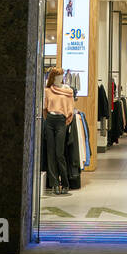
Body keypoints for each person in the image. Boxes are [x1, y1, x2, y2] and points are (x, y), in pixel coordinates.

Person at [43, 68, 75, 197]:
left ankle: (65, 183)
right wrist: (48, 119)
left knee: (59, 153)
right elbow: (45, 108)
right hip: (50, 120)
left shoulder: (67, 91)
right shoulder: (48, 91)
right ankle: (55, 183)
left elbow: (71, 109)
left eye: (61, 76)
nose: (60, 78)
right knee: (50, 153)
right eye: (57, 76)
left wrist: (66, 121)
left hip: (62, 121)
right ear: (52, 77)